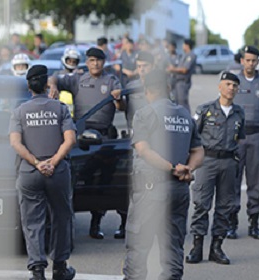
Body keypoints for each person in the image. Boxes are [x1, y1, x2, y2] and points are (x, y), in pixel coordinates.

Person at [123, 70, 204, 280]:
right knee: (173, 248)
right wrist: (188, 169)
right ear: (168, 89)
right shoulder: (186, 115)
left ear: (147, 90)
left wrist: (171, 168)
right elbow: (198, 151)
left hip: (152, 190)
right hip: (179, 189)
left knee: (138, 247)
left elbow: (143, 150)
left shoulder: (145, 114)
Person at [9, 65, 76, 280]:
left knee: (32, 221)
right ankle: (60, 267)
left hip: (29, 172)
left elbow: (15, 143)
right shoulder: (60, 108)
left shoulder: (20, 111)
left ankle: (37, 271)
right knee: (61, 217)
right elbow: (70, 140)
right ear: (47, 84)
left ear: (28, 85)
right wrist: (54, 162)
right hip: (57, 173)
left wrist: (37, 163)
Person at [48, 47, 123, 240]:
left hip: (104, 136)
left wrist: (118, 98)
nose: (95, 64)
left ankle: (102, 222)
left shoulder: (111, 80)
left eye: (98, 60)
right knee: (80, 179)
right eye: (91, 60)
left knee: (108, 180)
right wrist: (53, 86)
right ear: (87, 62)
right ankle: (72, 221)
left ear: (103, 62)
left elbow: (122, 106)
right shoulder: (78, 79)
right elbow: (54, 77)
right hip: (81, 136)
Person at [186, 72, 245, 265]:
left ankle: (217, 248)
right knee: (202, 204)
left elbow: (240, 139)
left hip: (228, 162)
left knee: (224, 207)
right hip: (207, 160)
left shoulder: (239, 113)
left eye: (235, 85)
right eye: (228, 84)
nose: (231, 88)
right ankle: (197, 247)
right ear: (219, 86)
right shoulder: (205, 110)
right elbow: (193, 136)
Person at [227, 45, 259, 240]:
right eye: (247, 60)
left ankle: (254, 223)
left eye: (254, 60)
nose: (250, 63)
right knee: (233, 180)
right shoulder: (233, 81)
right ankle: (232, 223)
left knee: (256, 179)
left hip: (256, 136)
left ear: (257, 62)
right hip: (236, 137)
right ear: (242, 61)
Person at [125, 51, 154, 131]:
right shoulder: (130, 86)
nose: (141, 69)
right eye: (139, 66)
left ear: (152, 66)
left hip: (155, 130)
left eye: (145, 66)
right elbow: (125, 108)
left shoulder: (160, 85)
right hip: (135, 130)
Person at [167, 39, 196, 113]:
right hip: (177, 82)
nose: (183, 46)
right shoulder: (184, 55)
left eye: (184, 44)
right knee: (176, 102)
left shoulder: (191, 55)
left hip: (183, 82)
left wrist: (173, 69)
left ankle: (188, 119)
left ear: (187, 45)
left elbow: (185, 69)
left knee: (182, 103)